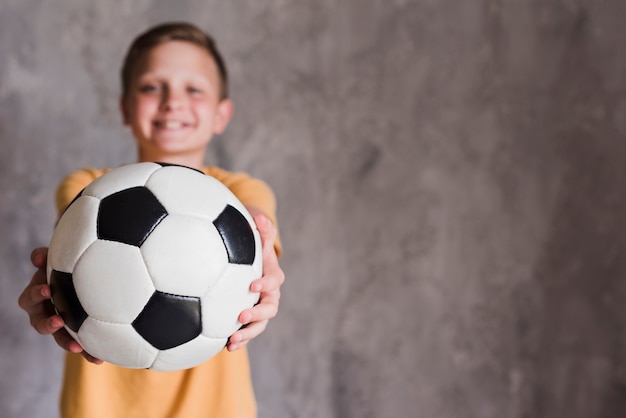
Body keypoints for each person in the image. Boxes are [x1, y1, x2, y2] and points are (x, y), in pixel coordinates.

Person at [17, 21, 285, 418]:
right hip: (99, 409)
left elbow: (257, 221)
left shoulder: (241, 193)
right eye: (151, 87)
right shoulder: (87, 189)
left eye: (193, 89)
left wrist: (266, 262)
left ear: (220, 114)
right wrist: (51, 297)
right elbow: (68, 236)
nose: (172, 102)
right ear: (125, 107)